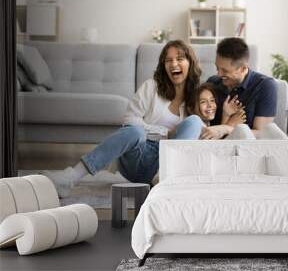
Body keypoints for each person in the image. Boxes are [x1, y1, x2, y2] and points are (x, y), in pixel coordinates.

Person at [44, 40, 204, 197]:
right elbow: (130, 120)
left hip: (165, 164)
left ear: (190, 63)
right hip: (138, 158)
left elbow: (204, 128)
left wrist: (224, 124)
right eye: (168, 60)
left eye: (180, 58)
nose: (173, 64)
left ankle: (164, 179)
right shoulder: (152, 87)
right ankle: (70, 178)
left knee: (195, 121)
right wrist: (165, 133)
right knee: (135, 132)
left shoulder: (198, 96)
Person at [205, 37, 288, 140]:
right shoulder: (213, 82)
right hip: (215, 147)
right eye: (217, 68)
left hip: (247, 148)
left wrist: (226, 128)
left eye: (225, 71)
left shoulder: (265, 86)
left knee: (274, 131)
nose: (219, 74)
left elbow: (261, 133)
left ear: (243, 68)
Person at [189, 82, 255, 140]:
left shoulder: (207, 127)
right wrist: (228, 126)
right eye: (203, 102)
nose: (210, 105)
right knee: (242, 129)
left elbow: (218, 139)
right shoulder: (195, 127)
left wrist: (226, 114)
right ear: (191, 109)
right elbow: (216, 148)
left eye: (212, 100)